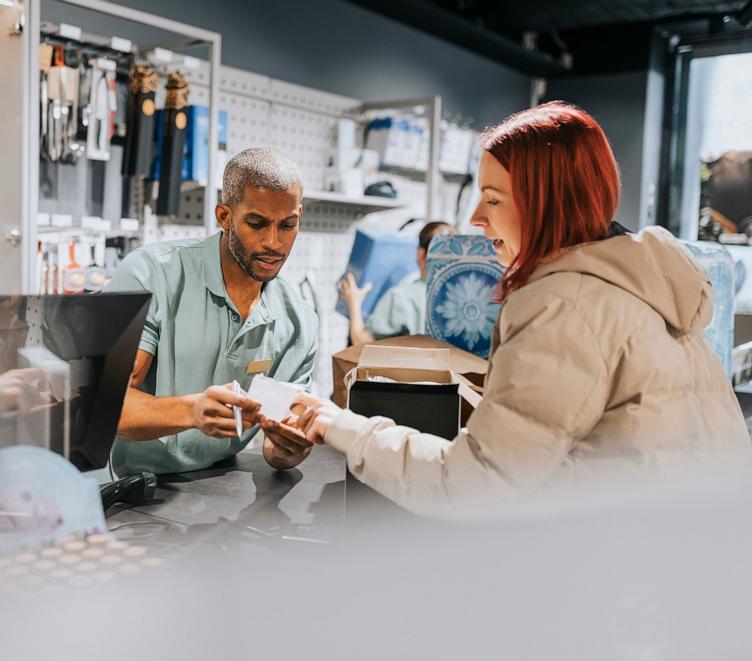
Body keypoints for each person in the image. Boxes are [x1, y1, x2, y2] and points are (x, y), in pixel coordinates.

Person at [288, 101, 751, 515]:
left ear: (547, 202)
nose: (475, 218)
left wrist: (343, 427)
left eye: (492, 199)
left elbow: (471, 484)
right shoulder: (650, 287)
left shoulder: (563, 306)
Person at [106, 147, 318, 476]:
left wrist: (287, 448)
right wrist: (192, 411)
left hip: (217, 487)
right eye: (257, 223)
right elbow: (106, 405)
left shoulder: (298, 322)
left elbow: (276, 450)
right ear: (224, 217)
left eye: (287, 225)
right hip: (130, 488)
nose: (273, 243)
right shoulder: (150, 274)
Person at [339, 221, 456, 345]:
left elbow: (363, 344)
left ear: (420, 254)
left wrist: (354, 302)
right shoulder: (465, 301)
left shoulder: (400, 298)